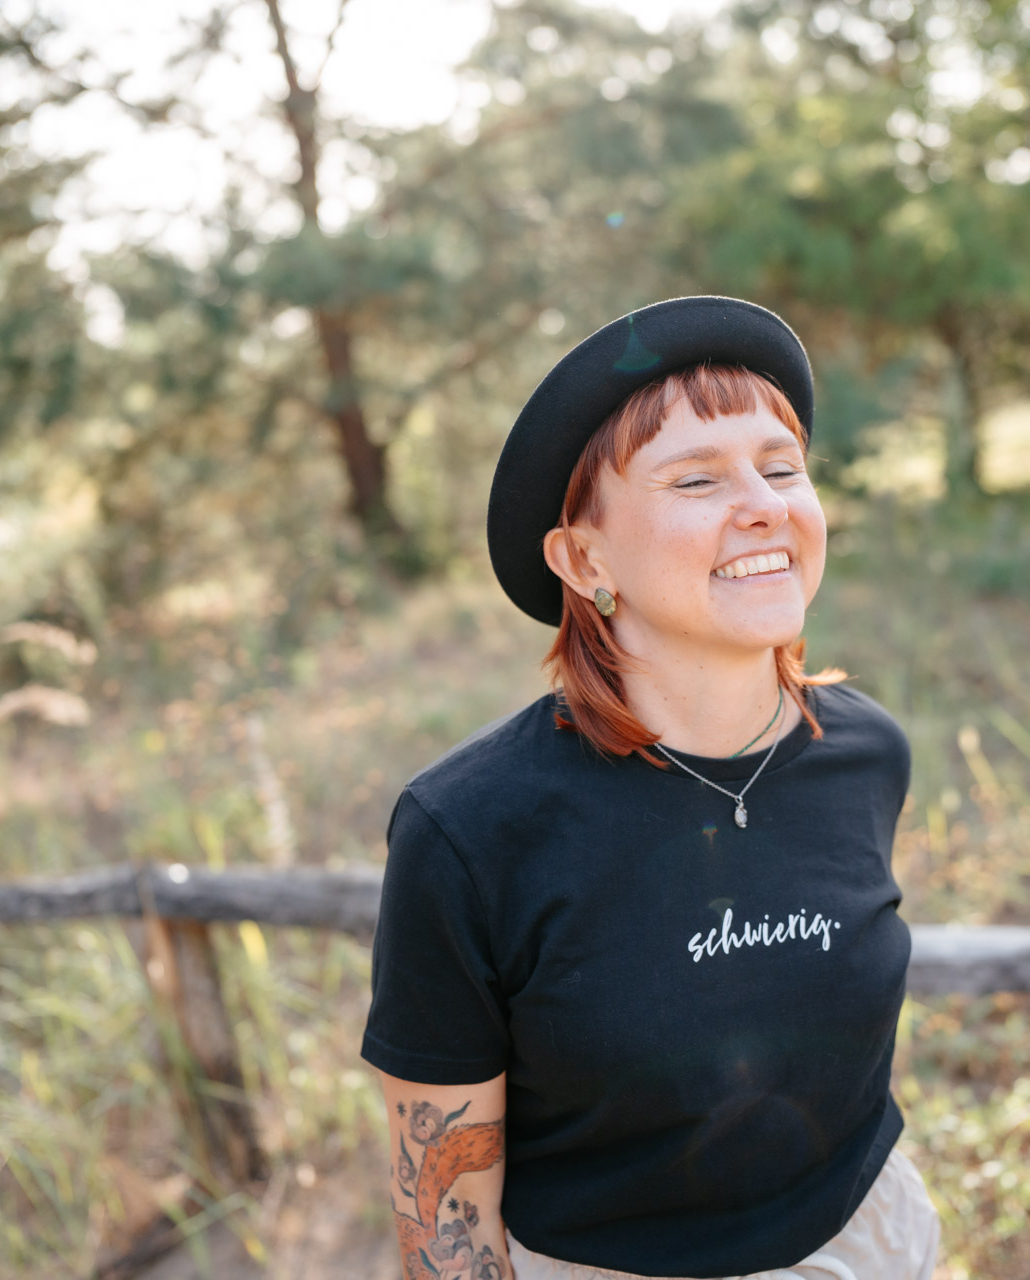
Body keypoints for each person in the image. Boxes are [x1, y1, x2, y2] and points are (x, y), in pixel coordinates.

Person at [361, 296, 939, 1280]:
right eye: (698, 477)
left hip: (870, 1246)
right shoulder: (469, 830)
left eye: (782, 466)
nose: (763, 502)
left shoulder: (865, 751)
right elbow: (445, 1207)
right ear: (586, 560)